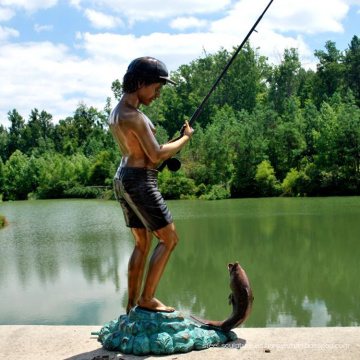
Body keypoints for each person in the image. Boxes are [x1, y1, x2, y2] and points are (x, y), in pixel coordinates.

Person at [109, 57, 194, 313]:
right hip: (139, 182)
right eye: (156, 88)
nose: (157, 94)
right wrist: (185, 139)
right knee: (169, 239)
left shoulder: (118, 112)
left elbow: (146, 152)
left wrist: (170, 143)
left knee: (142, 244)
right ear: (141, 82)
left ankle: (131, 304)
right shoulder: (134, 116)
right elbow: (156, 155)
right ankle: (146, 299)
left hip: (122, 178)